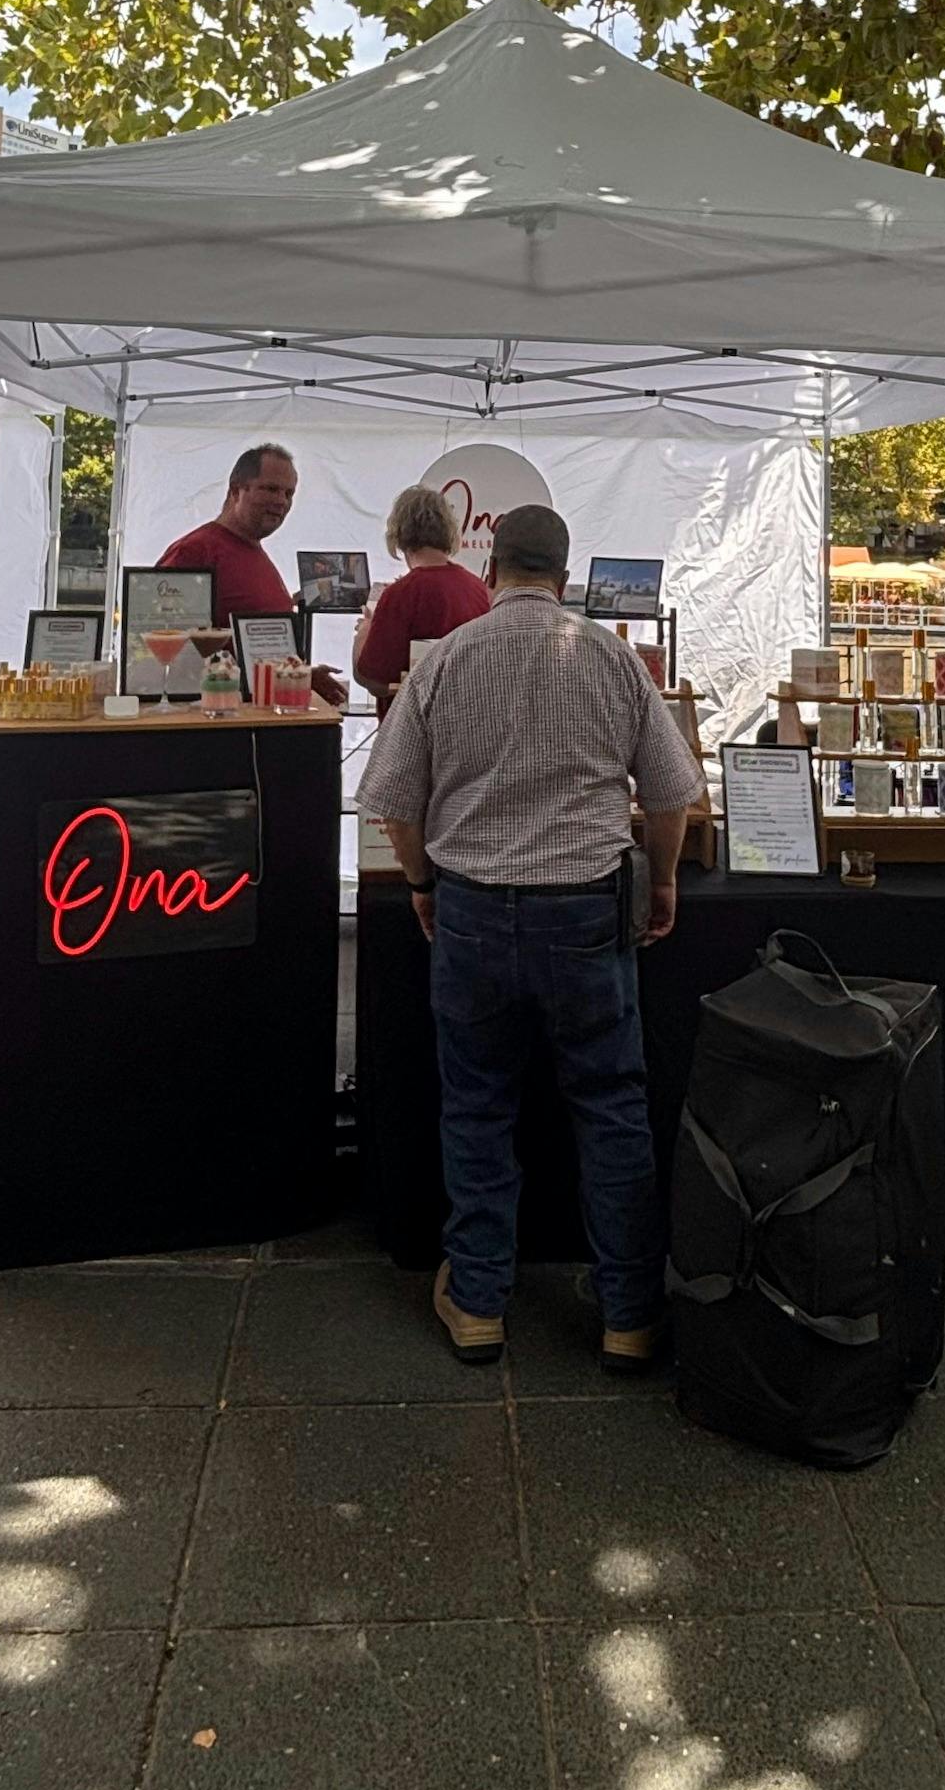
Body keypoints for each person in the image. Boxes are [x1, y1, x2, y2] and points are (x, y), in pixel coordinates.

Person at [355, 503, 704, 1373]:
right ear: (565, 571)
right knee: (612, 1108)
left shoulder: (448, 661)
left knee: (476, 1106)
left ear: (489, 568)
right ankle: (628, 1313)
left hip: (472, 908)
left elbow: (392, 802)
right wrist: (660, 879)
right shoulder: (609, 657)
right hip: (586, 911)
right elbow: (671, 794)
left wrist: (426, 884)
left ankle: (477, 1302)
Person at [156, 442, 345, 705]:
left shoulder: (256, 552)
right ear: (236, 490)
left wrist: (299, 675)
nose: (281, 501)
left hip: (257, 720)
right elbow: (159, 646)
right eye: (270, 489)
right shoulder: (195, 552)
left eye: (289, 493)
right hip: (216, 724)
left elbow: (255, 654)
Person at [353, 484, 491, 715]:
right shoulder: (478, 588)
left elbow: (373, 679)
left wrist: (365, 630)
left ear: (398, 532)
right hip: (468, 724)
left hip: (412, 730)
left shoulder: (400, 594)